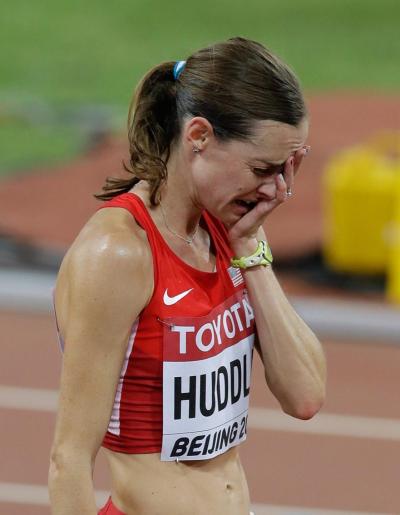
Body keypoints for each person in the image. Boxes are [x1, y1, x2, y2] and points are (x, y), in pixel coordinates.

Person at [48, 36, 326, 515]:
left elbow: (304, 395)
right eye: (263, 168)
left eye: (286, 168)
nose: (278, 189)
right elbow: (68, 459)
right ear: (198, 136)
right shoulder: (117, 253)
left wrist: (248, 253)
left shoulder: (231, 231)